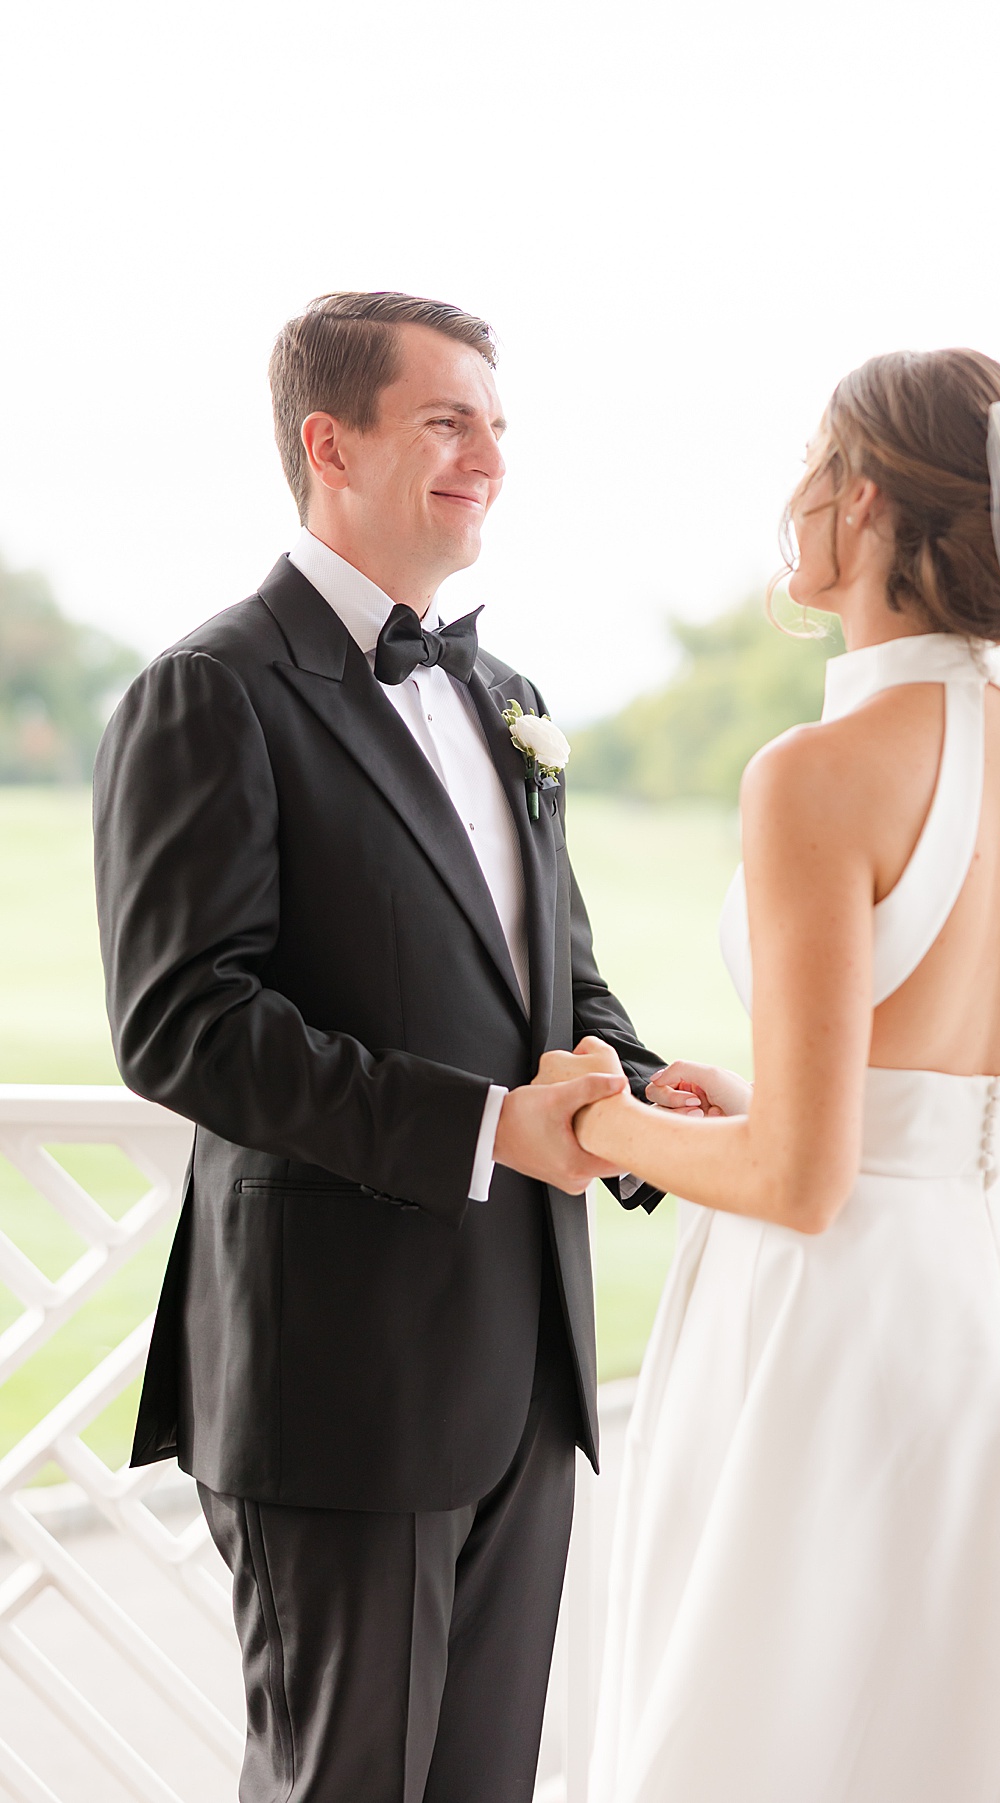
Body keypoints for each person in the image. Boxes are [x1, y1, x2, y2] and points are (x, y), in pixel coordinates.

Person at [541, 350, 1000, 1802]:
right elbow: (991, 1109)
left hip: (844, 1336)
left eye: (815, 461)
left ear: (871, 500)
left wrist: (607, 1118)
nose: (793, 497)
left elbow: (805, 1178)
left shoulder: (817, 773)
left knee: (798, 1726)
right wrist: (759, 1098)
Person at [93, 291, 668, 1803]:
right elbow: (183, 1024)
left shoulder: (511, 699)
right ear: (328, 444)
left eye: (497, 423)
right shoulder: (207, 693)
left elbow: (561, 986)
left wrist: (645, 1094)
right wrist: (484, 1127)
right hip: (336, 1381)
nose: (488, 455)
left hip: (526, 1375)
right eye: (447, 420)